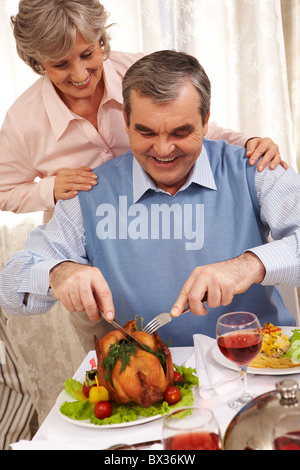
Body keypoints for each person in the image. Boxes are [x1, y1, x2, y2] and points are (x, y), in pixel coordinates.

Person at [0, 50, 299, 348]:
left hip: (259, 367)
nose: (164, 149)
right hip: (154, 384)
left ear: (205, 121)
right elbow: (9, 287)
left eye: (181, 132)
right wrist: (57, 272)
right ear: (127, 122)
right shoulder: (89, 194)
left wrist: (248, 265)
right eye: (146, 132)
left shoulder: (255, 170)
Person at [0, 0, 284, 225]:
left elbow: (189, 128)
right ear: (38, 61)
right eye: (61, 64)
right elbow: (4, 192)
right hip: (84, 246)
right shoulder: (23, 121)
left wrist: (248, 143)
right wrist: (49, 189)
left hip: (160, 225)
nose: (79, 74)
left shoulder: (138, 74)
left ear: (100, 40)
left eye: (87, 54)